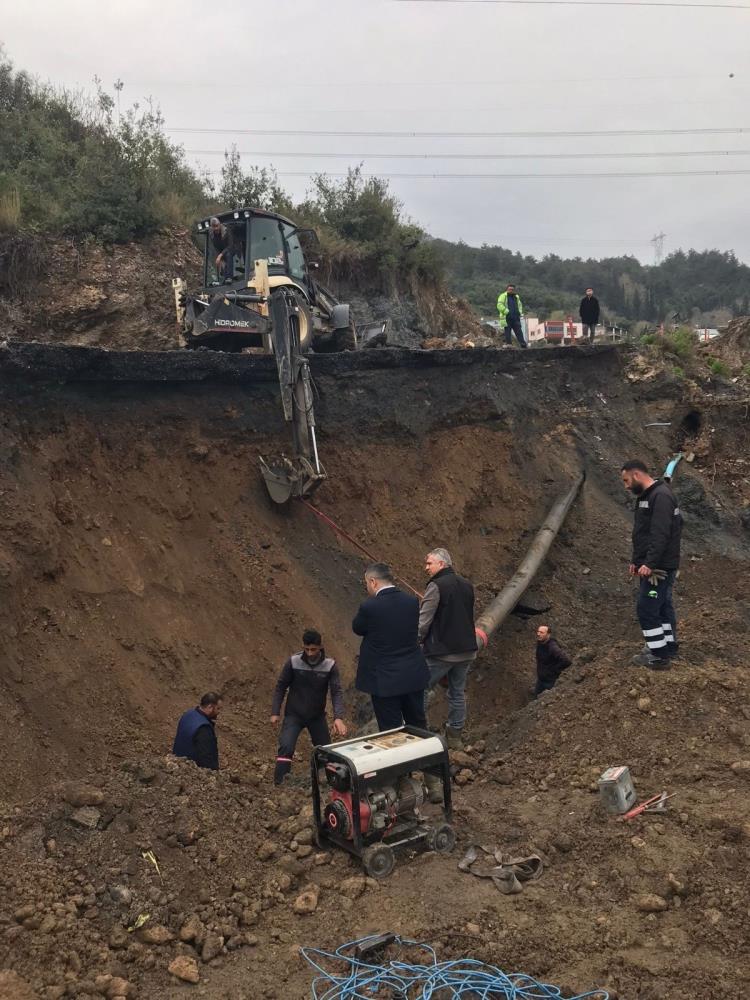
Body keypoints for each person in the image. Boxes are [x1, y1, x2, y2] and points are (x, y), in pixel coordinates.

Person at [621, 460, 683, 669]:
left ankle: (658, 656)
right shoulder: (647, 497)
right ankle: (668, 646)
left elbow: (660, 534)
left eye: (627, 480)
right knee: (663, 606)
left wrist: (650, 563)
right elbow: (643, 533)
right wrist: (636, 561)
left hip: (660, 568)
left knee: (646, 609)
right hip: (654, 564)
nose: (626, 486)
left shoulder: (661, 497)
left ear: (637, 474)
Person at [353, 563, 430, 731]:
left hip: (385, 681)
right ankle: (423, 756)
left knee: (390, 731)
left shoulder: (369, 607)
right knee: (418, 725)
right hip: (412, 675)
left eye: (367, 583)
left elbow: (357, 628)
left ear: (373, 582)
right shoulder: (411, 602)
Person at [271, 628, 346, 785]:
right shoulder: (293, 662)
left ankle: (329, 784)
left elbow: (336, 692)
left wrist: (338, 717)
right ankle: (280, 786)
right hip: (294, 715)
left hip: (316, 717)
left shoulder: (330, 666)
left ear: (320, 647)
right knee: (286, 747)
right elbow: (281, 686)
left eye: (313, 649)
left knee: (326, 751)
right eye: (307, 649)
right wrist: (275, 711)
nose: (310, 653)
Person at [419, 548, 477, 750]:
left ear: (442, 564)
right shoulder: (467, 585)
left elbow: (423, 621)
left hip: (442, 651)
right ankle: (454, 736)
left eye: (429, 563)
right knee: (457, 693)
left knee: (420, 688)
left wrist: (416, 641)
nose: (426, 568)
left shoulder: (436, 586)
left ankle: (419, 733)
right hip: (467, 650)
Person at [172, 692, 222, 770]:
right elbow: (206, 759)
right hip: (190, 771)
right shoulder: (204, 728)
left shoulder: (188, 714)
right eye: (218, 708)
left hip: (177, 764)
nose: (219, 712)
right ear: (210, 707)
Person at [534, 625, 571, 695]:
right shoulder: (540, 643)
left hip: (549, 682)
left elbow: (566, 661)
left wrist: (554, 670)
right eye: (538, 632)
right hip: (540, 680)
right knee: (535, 699)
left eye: (541, 632)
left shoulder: (552, 646)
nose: (538, 634)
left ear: (548, 634)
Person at [496, 284, 527, 348]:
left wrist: (519, 312)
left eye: (512, 289)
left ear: (514, 290)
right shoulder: (503, 296)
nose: (511, 290)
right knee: (508, 332)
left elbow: (520, 305)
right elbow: (499, 305)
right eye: (509, 289)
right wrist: (506, 311)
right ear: (507, 289)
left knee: (519, 331)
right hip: (507, 318)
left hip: (516, 317)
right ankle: (509, 344)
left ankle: (523, 344)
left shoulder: (516, 297)